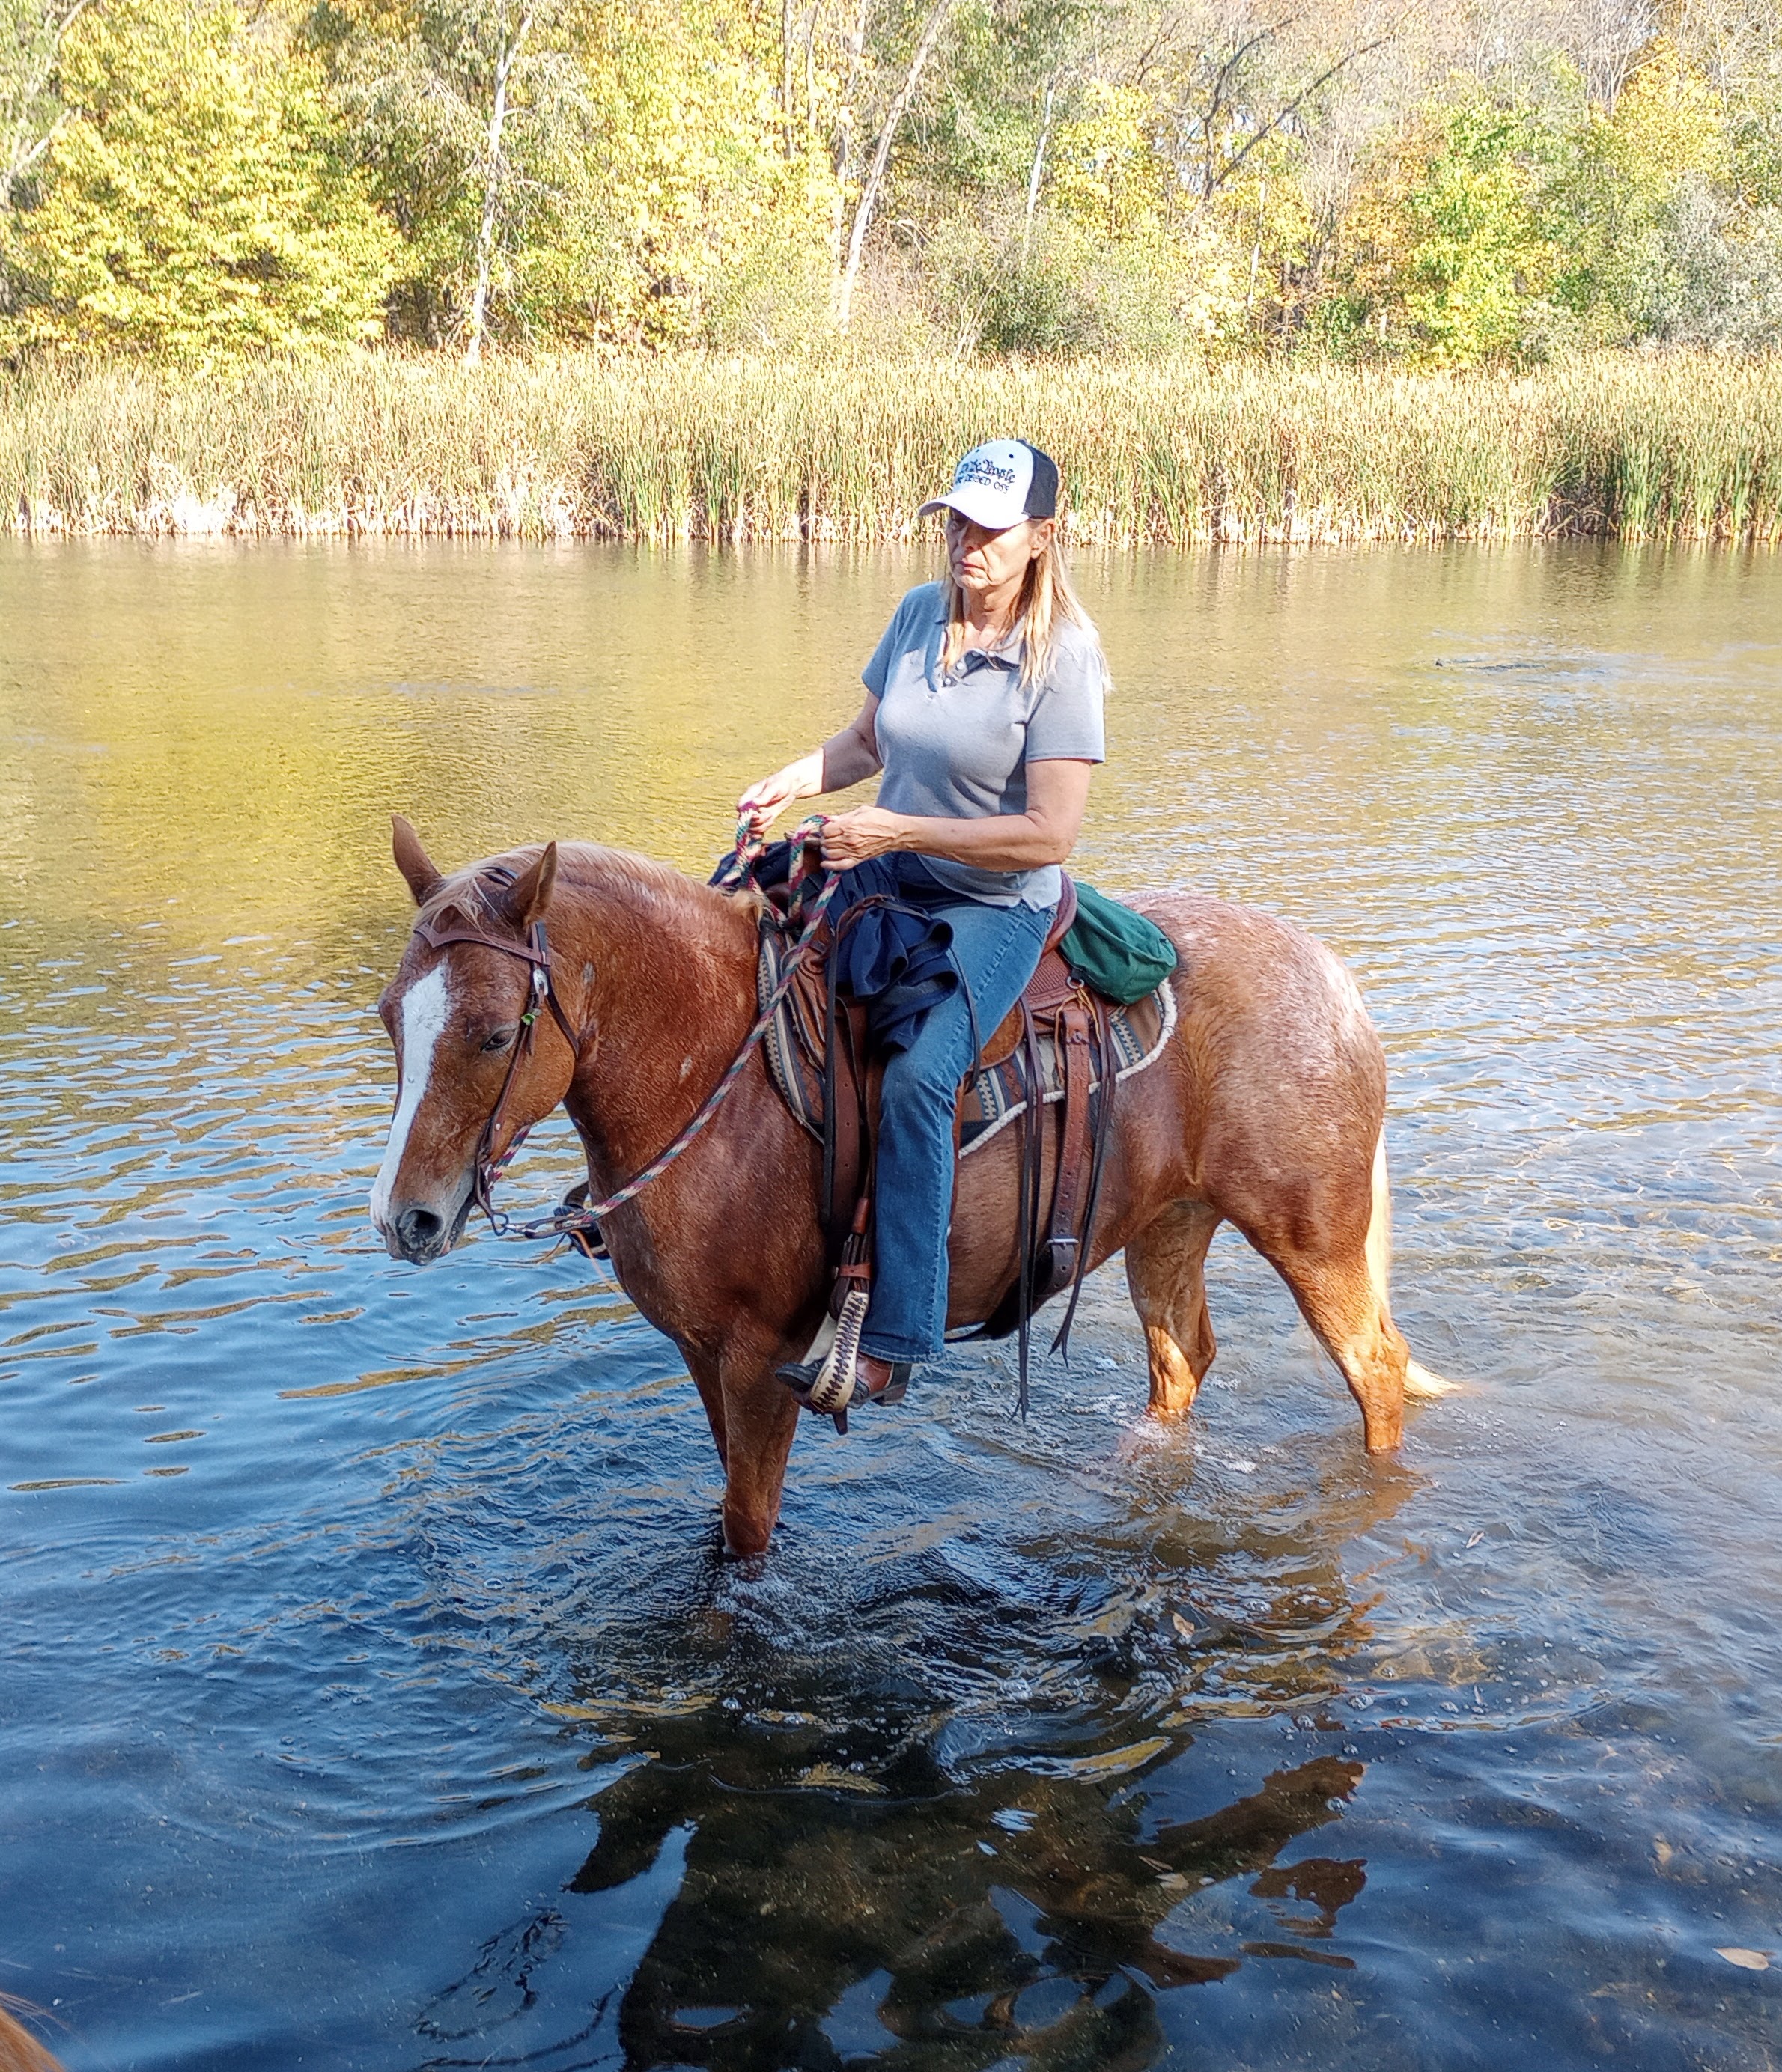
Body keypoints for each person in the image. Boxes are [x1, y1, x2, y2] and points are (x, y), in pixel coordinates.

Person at [738, 438, 1107, 1410]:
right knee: (746, 949)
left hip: (994, 903)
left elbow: (1049, 834)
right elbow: (866, 741)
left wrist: (897, 827)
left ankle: (896, 1337)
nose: (967, 542)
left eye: (990, 527)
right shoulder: (915, 613)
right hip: (887, 869)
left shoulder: (1065, 657)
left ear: (1041, 537)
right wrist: (793, 779)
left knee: (916, 1078)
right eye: (957, 520)